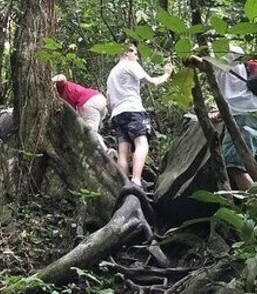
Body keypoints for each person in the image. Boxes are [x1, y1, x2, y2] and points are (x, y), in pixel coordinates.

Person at [209, 45, 257, 191]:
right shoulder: (239, 61)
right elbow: (236, 93)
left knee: (235, 166)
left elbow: (200, 62)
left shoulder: (222, 52)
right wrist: (221, 112)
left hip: (245, 116)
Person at [106, 43, 174, 190]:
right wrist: (167, 74)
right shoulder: (130, 64)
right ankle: (136, 181)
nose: (136, 57)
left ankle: (123, 184)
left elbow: (109, 101)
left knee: (123, 151)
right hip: (133, 110)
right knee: (141, 144)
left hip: (117, 114)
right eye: (134, 53)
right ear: (125, 53)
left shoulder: (112, 74)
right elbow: (152, 83)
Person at [51, 74, 108, 148]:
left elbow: (62, 77)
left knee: (90, 133)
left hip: (88, 102)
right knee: (92, 129)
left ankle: (105, 151)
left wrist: (51, 81)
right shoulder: (65, 93)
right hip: (99, 98)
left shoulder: (60, 87)